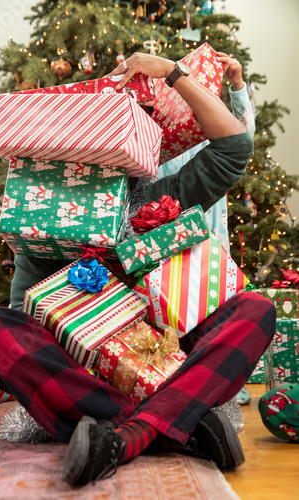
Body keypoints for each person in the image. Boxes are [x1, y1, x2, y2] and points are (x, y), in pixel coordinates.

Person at [0, 51, 276, 487]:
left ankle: (126, 435)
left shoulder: (154, 197)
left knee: (256, 310)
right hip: (86, 375)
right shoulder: (42, 216)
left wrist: (172, 73)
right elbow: (26, 320)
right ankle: (177, 425)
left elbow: (234, 146)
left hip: (164, 356)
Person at [157, 52, 255, 405]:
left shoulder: (213, 125)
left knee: (213, 302)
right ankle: (176, 377)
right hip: (167, 227)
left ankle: (222, 384)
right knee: (171, 306)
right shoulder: (165, 127)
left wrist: (237, 85)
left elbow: (243, 138)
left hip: (209, 232)